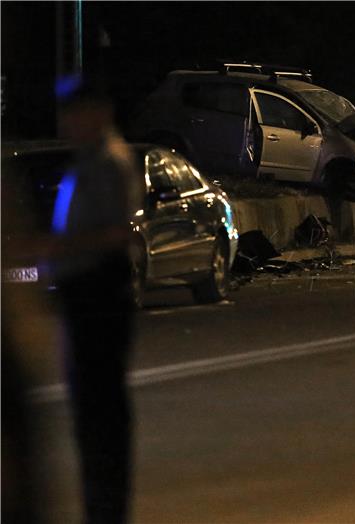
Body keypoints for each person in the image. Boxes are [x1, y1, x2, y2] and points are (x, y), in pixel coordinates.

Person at [49, 76, 144, 523]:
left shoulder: (108, 161)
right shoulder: (88, 160)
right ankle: (101, 505)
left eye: (73, 113)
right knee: (92, 412)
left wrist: (47, 249)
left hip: (98, 292)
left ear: (98, 112)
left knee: (100, 410)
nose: (65, 123)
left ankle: (106, 508)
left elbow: (114, 233)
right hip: (85, 292)